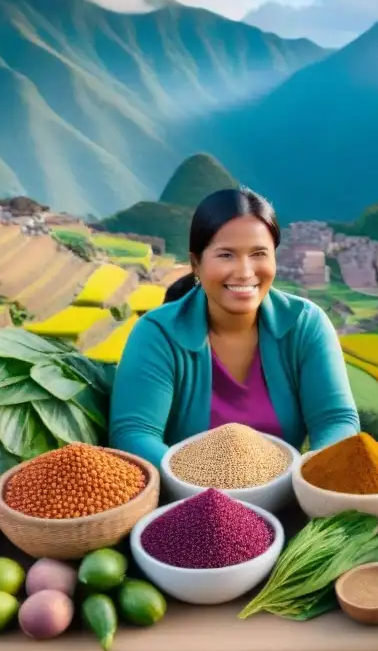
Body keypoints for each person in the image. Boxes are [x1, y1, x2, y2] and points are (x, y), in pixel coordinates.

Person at [109, 186, 360, 467]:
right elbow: (134, 433)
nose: (244, 271)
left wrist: (311, 472)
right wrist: (199, 483)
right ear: (196, 264)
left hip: (288, 496)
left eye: (258, 253)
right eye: (226, 255)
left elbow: (336, 419)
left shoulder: (305, 325)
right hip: (184, 503)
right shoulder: (157, 334)